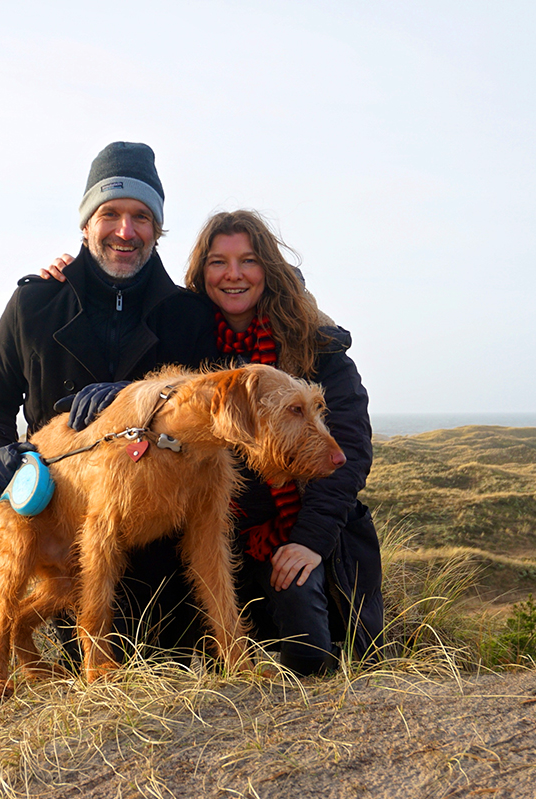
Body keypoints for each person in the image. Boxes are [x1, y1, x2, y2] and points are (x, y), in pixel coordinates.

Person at [44, 209, 385, 676]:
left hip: (291, 529)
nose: (234, 275)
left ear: (269, 268)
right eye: (218, 262)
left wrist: (310, 541)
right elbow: (151, 385)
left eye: (248, 260)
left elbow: (347, 455)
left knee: (309, 657)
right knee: (169, 653)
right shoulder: (188, 339)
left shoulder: (317, 347)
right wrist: (70, 279)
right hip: (207, 527)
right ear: (201, 273)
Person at [0, 141, 218, 661]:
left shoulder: (190, 318)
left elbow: (209, 420)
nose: (125, 232)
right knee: (109, 657)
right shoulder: (34, 304)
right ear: (86, 224)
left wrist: (130, 398)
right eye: (110, 213)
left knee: (161, 663)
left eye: (142, 217)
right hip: (68, 539)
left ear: (158, 229)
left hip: (158, 551)